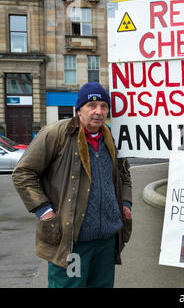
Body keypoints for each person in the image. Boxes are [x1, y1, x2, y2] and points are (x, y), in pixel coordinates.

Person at [12, 82, 132, 288]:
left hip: (106, 240)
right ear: (79, 110)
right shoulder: (55, 133)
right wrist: (44, 211)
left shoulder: (109, 137)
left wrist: (126, 203)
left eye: (104, 106)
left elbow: (123, 174)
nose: (98, 111)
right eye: (91, 106)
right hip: (73, 241)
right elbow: (23, 173)